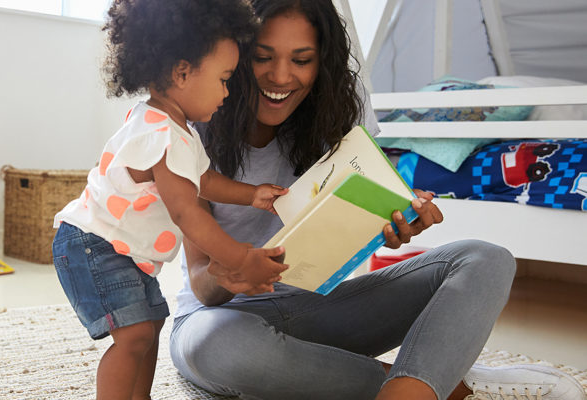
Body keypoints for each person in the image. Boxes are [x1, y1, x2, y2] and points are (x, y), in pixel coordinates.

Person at [168, 1, 587, 400]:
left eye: (301, 60)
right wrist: (233, 272)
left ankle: (415, 387)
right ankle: (444, 386)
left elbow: (349, 231)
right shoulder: (194, 124)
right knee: (216, 347)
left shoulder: (337, 109)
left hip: (318, 308)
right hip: (221, 319)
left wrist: (387, 227)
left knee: (486, 260)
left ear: (322, 62)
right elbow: (202, 285)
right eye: (263, 57)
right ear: (237, 57)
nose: (281, 77)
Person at [51, 1, 291, 399]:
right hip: (93, 244)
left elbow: (204, 181)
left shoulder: (174, 129)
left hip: (120, 248)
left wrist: (253, 195)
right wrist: (239, 257)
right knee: (133, 335)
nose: (228, 92)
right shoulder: (162, 134)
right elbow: (186, 213)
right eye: (224, 79)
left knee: (152, 324)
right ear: (182, 73)